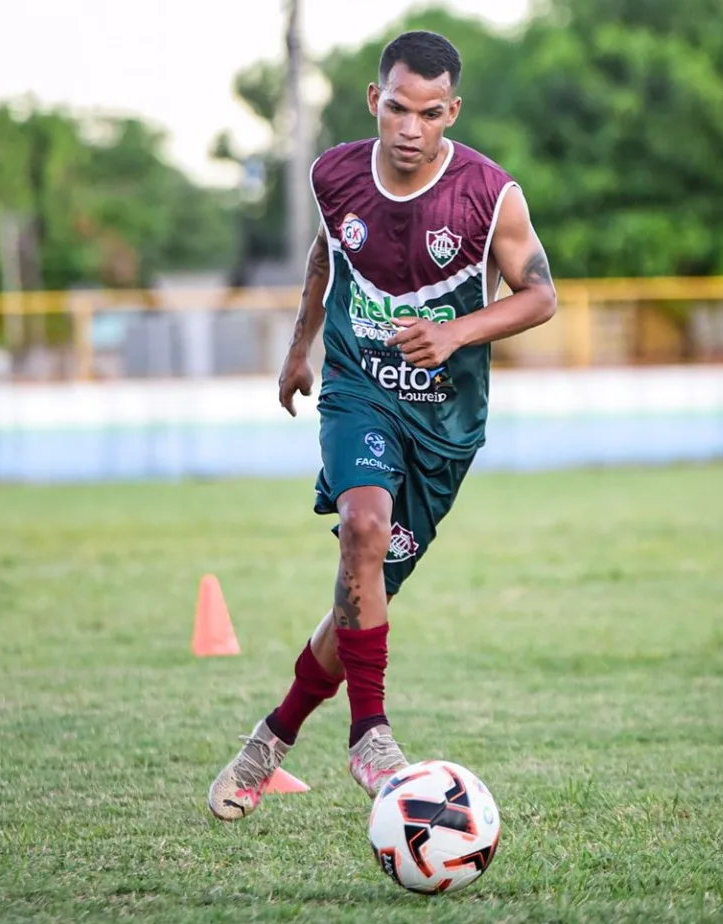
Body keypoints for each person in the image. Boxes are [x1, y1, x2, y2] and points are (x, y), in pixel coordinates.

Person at [207, 30, 558, 820]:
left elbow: (542, 296)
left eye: (429, 114)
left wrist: (457, 333)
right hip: (359, 387)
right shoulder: (333, 176)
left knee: (363, 595)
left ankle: (270, 739)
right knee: (363, 527)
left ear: (451, 113)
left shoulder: (490, 196)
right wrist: (301, 351)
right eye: (396, 108)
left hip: (444, 424)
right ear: (375, 100)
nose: (409, 128)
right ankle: (372, 734)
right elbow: (326, 259)